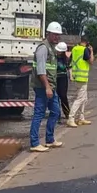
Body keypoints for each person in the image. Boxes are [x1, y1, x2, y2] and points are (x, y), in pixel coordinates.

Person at [29, 21, 65, 152]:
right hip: (43, 87)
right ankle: (34, 143)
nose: (57, 37)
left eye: (58, 35)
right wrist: (47, 87)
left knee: (55, 112)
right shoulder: (43, 48)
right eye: (54, 35)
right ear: (48, 33)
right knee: (39, 113)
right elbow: (41, 70)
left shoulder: (52, 48)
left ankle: (49, 139)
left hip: (51, 87)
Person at [66, 37, 93, 128]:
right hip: (82, 78)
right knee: (80, 99)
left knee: (84, 98)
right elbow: (91, 61)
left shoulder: (75, 49)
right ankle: (71, 118)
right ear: (87, 42)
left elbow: (70, 60)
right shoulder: (85, 50)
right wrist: (91, 51)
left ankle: (81, 118)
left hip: (76, 76)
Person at [54, 41, 71, 121]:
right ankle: (57, 115)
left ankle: (67, 113)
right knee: (56, 96)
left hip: (63, 78)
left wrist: (71, 76)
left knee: (63, 96)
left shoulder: (66, 58)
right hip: (55, 78)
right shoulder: (54, 57)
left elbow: (69, 68)